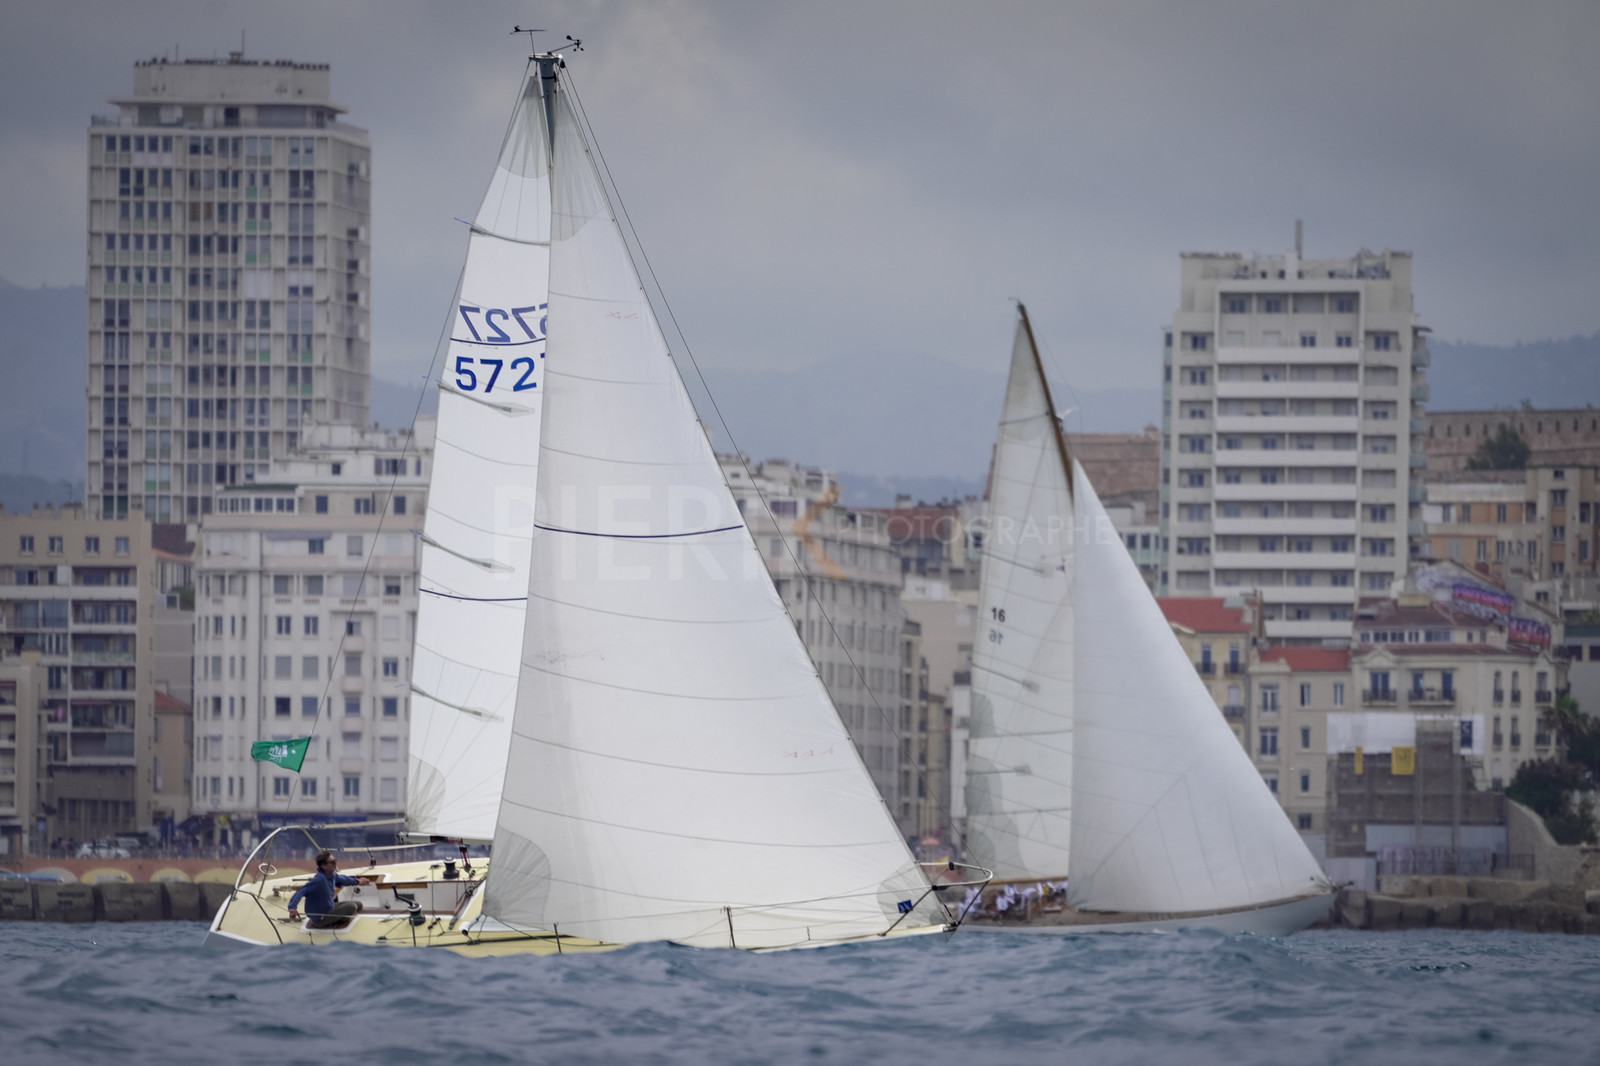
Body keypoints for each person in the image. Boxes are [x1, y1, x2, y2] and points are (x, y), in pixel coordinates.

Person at [287, 850, 371, 927]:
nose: (335, 863)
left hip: (329, 908)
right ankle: (336, 920)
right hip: (320, 917)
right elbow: (301, 891)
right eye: (332, 862)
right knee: (351, 906)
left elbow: (343, 879)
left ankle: (340, 917)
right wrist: (292, 907)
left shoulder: (332, 875)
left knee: (359, 904)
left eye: (335, 861)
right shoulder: (319, 879)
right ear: (324, 866)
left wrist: (358, 881)